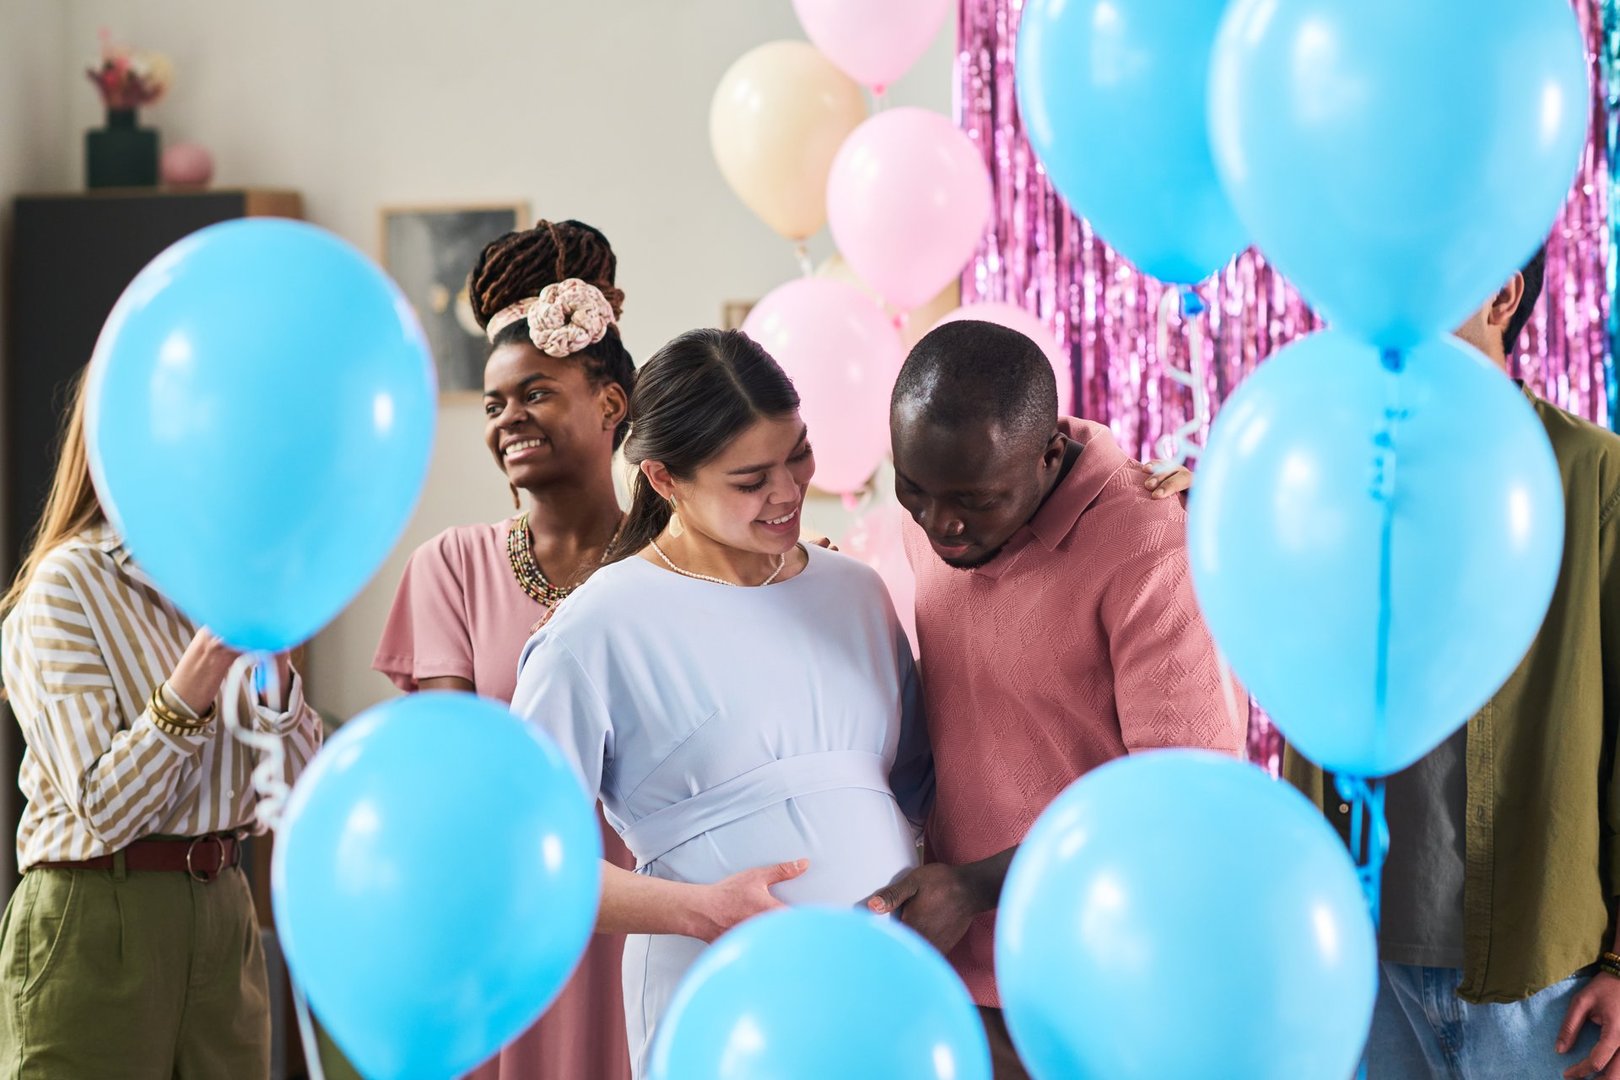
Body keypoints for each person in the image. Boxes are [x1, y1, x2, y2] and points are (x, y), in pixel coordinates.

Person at [509, 327, 932, 1076]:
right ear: (667, 481)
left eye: (798, 453)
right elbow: (521, 863)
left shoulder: (855, 591)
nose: (790, 490)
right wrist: (701, 911)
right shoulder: (595, 631)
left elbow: (917, 790)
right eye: (750, 479)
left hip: (881, 998)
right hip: (718, 1006)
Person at [864, 319, 1241, 1079]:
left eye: (973, 500)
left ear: (1046, 457)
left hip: (1109, 979)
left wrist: (972, 886)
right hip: (960, 975)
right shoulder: (941, 521)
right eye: (914, 490)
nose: (941, 525)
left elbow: (1181, 802)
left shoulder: (1152, 546)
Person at [1285, 248, 1620, 1080]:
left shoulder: (1594, 473)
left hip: (1544, 968)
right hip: (1364, 958)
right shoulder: (1330, 472)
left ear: (1503, 295)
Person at [0, 369, 323, 1078]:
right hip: (95, 916)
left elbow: (298, 794)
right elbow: (107, 808)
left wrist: (281, 681)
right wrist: (201, 669)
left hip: (225, 911)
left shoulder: (240, 583)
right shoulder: (66, 585)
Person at [373, 219, 638, 1080]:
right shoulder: (450, 567)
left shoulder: (678, 560)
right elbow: (454, 776)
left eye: (535, 392)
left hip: (653, 913)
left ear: (610, 402)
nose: (509, 419)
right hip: (508, 918)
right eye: (493, 403)